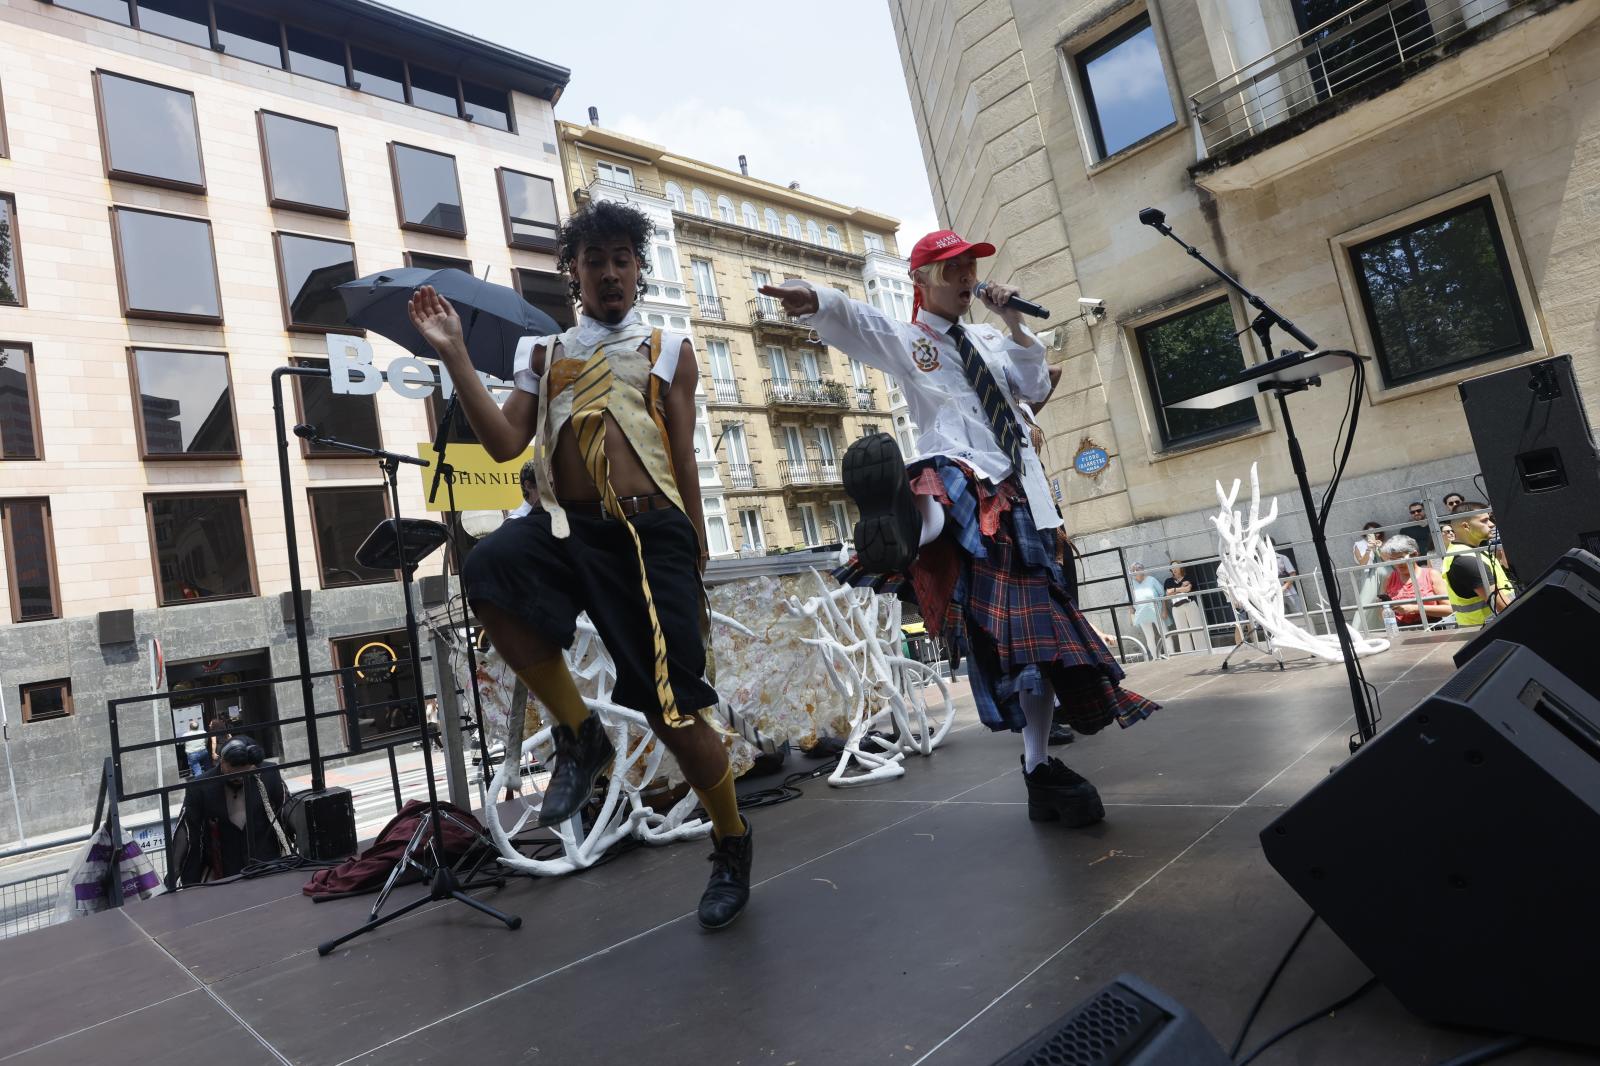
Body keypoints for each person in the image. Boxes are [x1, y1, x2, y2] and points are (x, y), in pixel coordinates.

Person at [407, 199, 753, 929]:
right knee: (492, 568)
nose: (609, 273)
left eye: (622, 259)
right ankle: (580, 734)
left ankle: (731, 841)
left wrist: (695, 542)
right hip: (568, 529)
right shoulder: (544, 353)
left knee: (675, 712)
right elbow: (505, 446)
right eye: (594, 261)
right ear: (573, 273)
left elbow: (682, 453)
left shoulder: (669, 347)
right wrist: (456, 355)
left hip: (649, 537)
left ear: (637, 268)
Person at [759, 229, 1157, 830]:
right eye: (951, 269)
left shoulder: (990, 340)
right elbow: (862, 320)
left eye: (970, 266)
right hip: (966, 476)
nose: (966, 276)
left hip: (1024, 494)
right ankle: (913, 527)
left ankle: (1037, 765)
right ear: (920, 281)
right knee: (950, 488)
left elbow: (1035, 386)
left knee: (1040, 644)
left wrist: (1017, 324)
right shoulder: (911, 339)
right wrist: (814, 296)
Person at [167, 736, 288, 888]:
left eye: (245, 772)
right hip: (223, 872)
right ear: (222, 762)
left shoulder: (269, 773)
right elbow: (187, 829)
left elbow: (286, 809)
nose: (239, 777)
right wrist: (174, 871)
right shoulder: (200, 786)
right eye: (233, 771)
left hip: (267, 865)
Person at [1442, 501, 1515, 626]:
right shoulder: (1467, 560)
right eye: (1484, 521)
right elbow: (1502, 605)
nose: (1491, 524)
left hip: (1491, 630)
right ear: (1466, 526)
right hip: (1486, 633)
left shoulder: (1471, 552)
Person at [1379, 534, 1452, 626]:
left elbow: (1449, 609)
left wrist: (1415, 608)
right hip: (1401, 630)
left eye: (1401, 558)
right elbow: (1382, 611)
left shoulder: (1431, 575)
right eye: (1393, 560)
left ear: (1415, 554)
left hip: (1431, 628)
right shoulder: (1390, 578)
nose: (1398, 564)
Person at [1351, 521, 1387, 634]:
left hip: (1386, 574)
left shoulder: (1382, 543)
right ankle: (1360, 630)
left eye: (1375, 532)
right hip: (1369, 576)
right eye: (1369, 532)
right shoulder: (1359, 544)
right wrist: (1368, 549)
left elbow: (1387, 559)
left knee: (1384, 601)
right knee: (1367, 601)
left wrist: (1379, 548)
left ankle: (1385, 627)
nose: (1373, 535)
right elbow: (1362, 563)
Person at [1128, 563, 1168, 661]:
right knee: (1149, 637)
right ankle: (1155, 658)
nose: (1136, 571)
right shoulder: (1131, 584)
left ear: (1143, 569)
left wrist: (1164, 609)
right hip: (1141, 614)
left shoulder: (1151, 580)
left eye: (1138, 569)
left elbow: (1163, 594)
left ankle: (1171, 654)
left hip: (1157, 612)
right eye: (1134, 570)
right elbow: (1129, 600)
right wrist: (1131, 613)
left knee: (1165, 634)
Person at [1163, 562, 1204, 654]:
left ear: (1181, 567)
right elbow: (1167, 593)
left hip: (1190, 604)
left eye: (1176, 567)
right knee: (1182, 632)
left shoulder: (1189, 577)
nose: (1174, 569)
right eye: (1172, 567)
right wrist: (1180, 588)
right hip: (1176, 608)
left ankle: (1202, 651)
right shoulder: (1168, 581)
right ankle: (1187, 653)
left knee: (1196, 628)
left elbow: (1188, 589)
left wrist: (1174, 590)